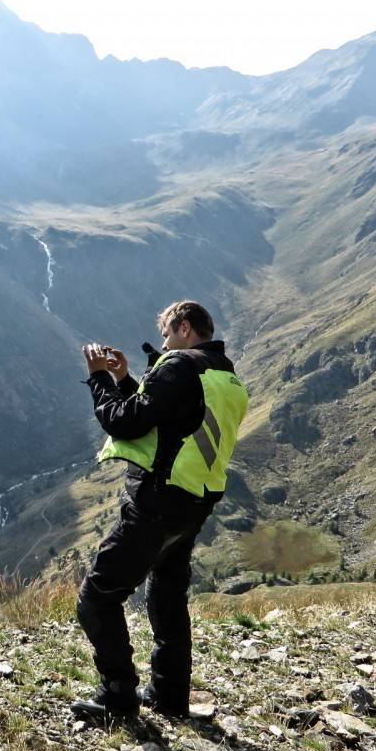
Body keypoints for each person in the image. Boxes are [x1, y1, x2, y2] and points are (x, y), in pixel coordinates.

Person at [70, 300, 248, 722]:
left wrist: (98, 379)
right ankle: (170, 697)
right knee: (166, 596)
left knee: (97, 600)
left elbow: (124, 422)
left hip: (157, 502)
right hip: (195, 502)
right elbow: (168, 417)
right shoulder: (223, 373)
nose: (164, 343)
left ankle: (118, 700)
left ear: (184, 328)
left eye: (167, 334)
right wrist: (125, 377)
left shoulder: (178, 366)